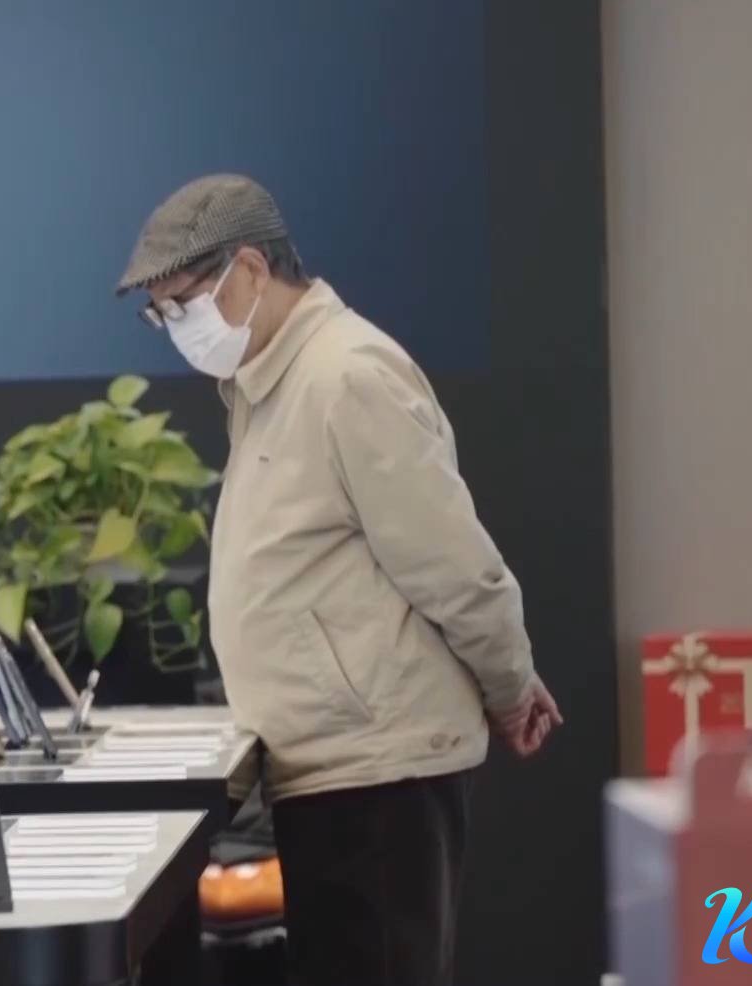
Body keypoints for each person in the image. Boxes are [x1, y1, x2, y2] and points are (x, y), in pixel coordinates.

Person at [116, 174, 562, 986]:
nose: (177, 328)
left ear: (251, 269)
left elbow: (456, 567)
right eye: (161, 315)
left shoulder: (347, 375)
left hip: (377, 770)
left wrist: (510, 684)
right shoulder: (266, 384)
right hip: (327, 764)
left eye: (183, 303)